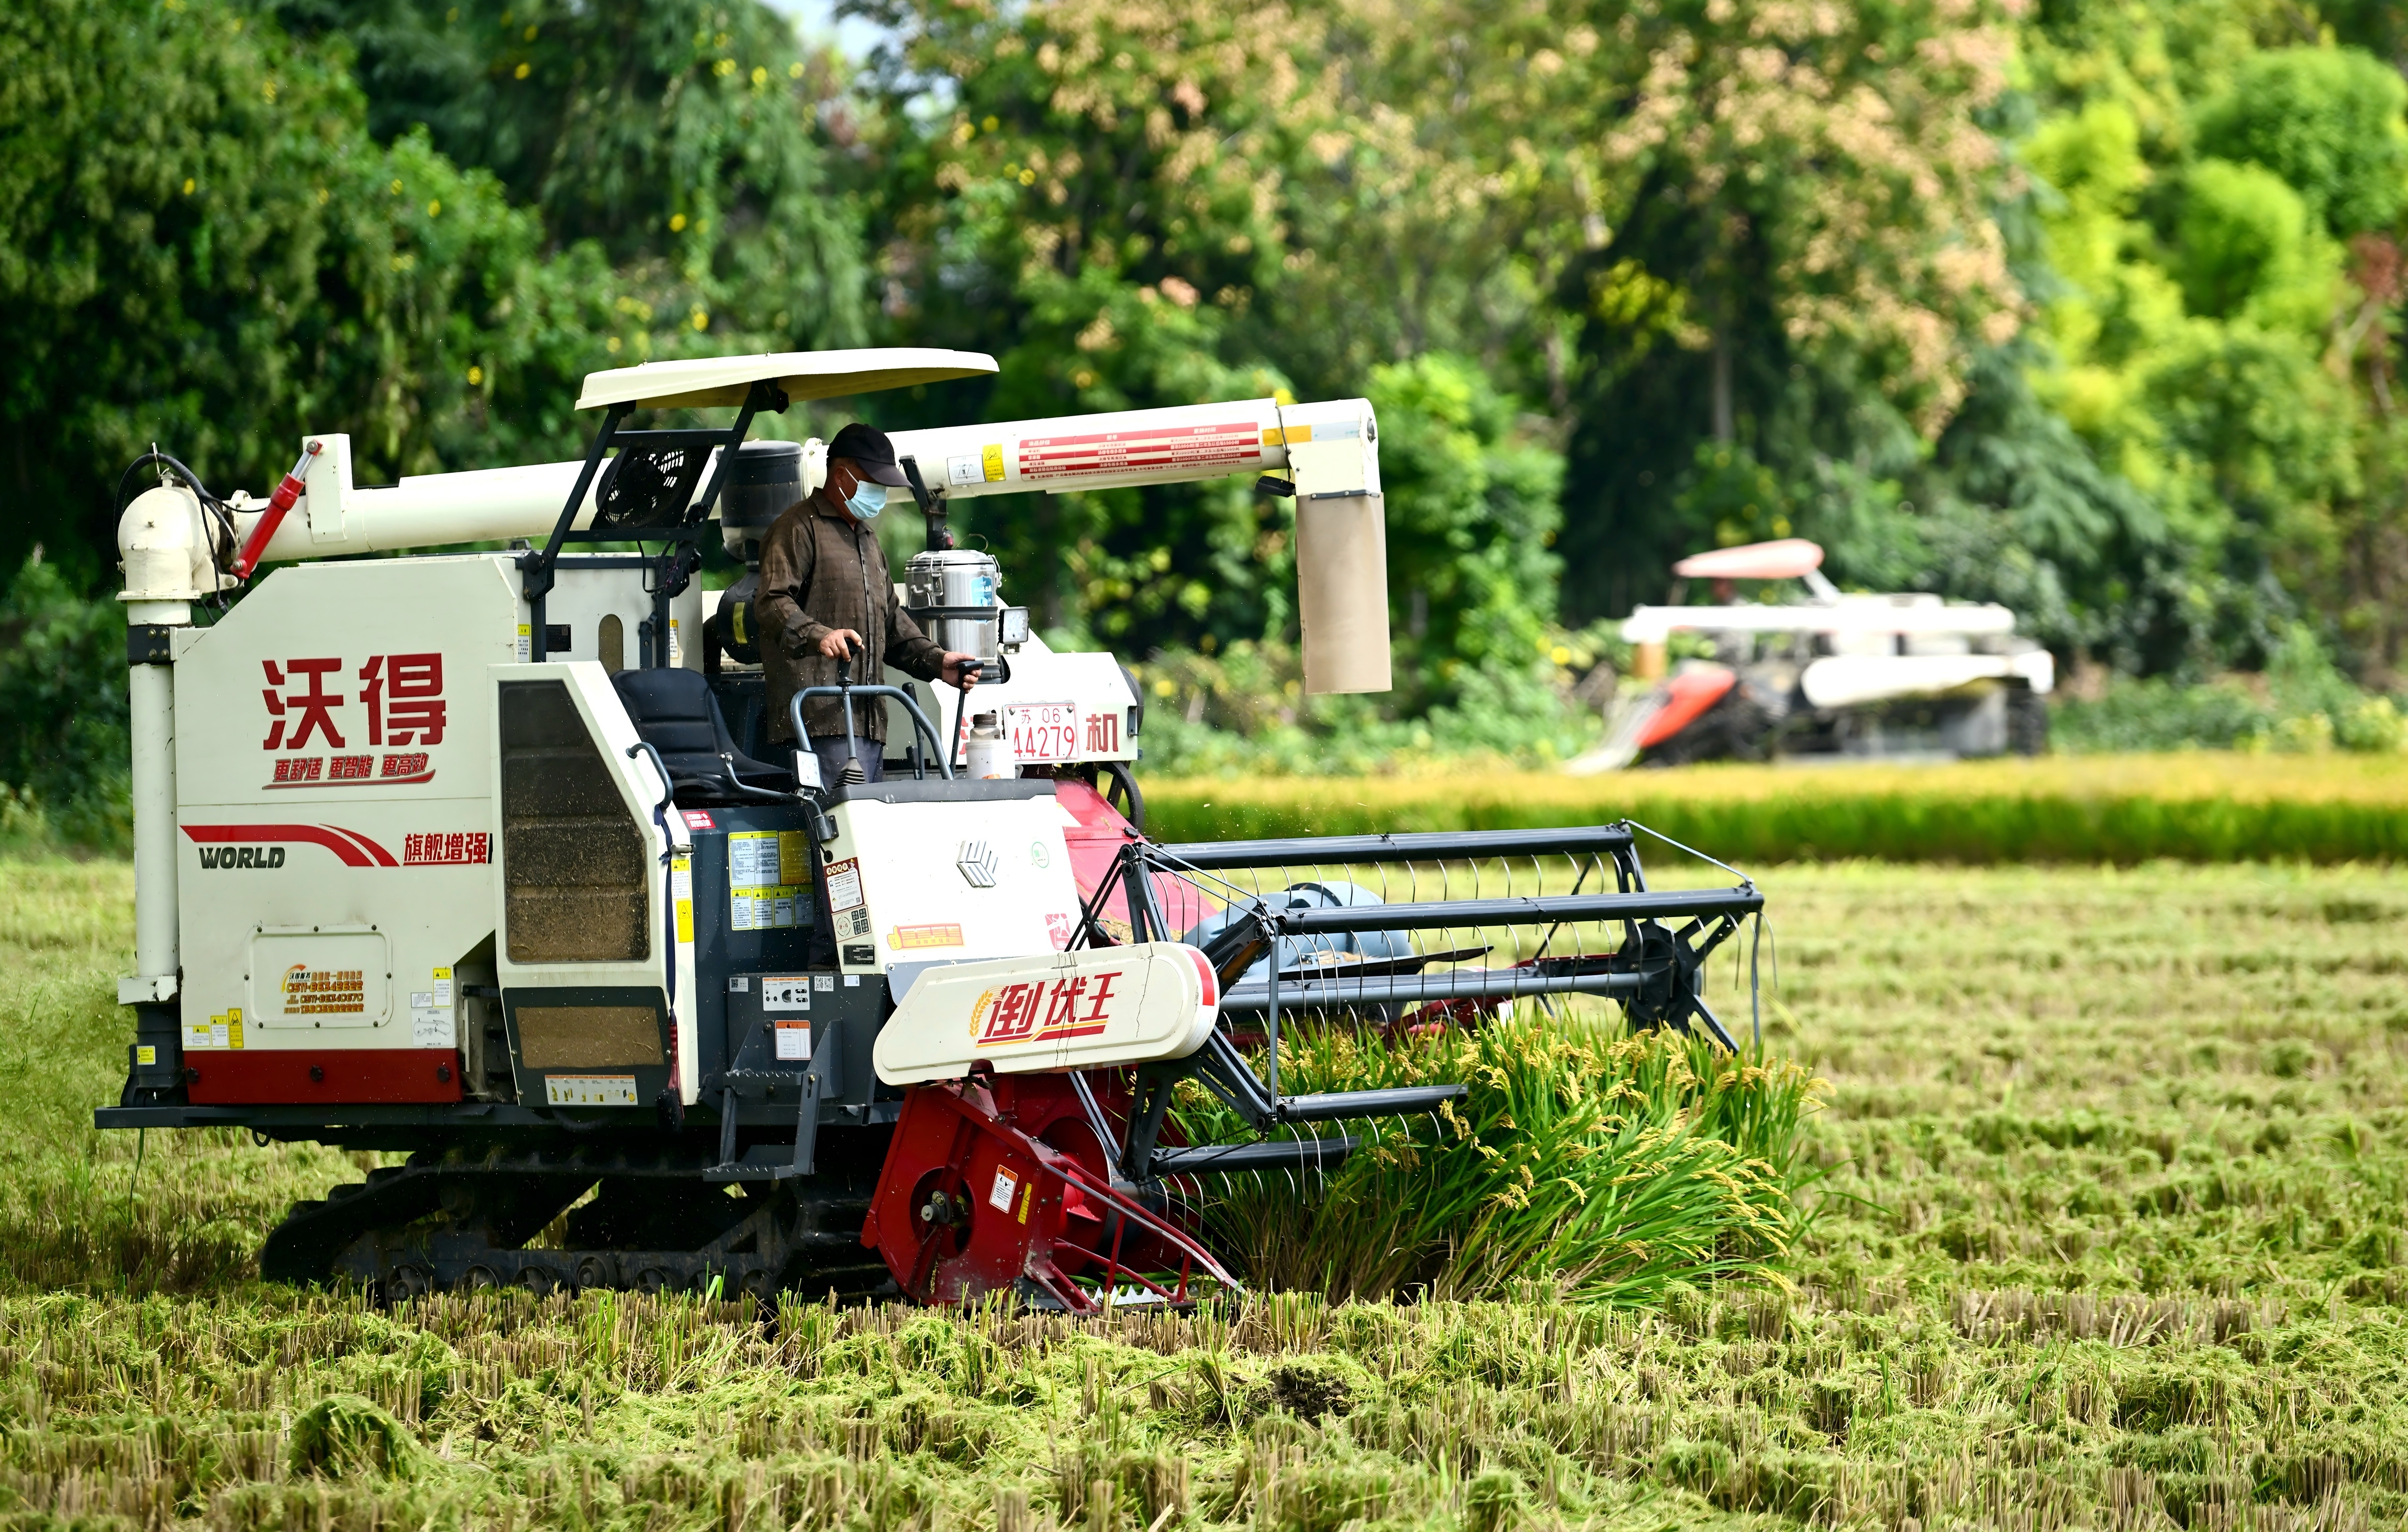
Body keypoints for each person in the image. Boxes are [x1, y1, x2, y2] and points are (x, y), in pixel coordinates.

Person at [754, 422, 980, 784]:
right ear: (842, 476)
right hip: (816, 720)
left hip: (868, 721)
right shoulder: (797, 527)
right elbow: (769, 602)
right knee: (835, 834)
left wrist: (940, 663)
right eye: (874, 482)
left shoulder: (868, 539)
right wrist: (818, 635)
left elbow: (891, 622)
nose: (881, 493)